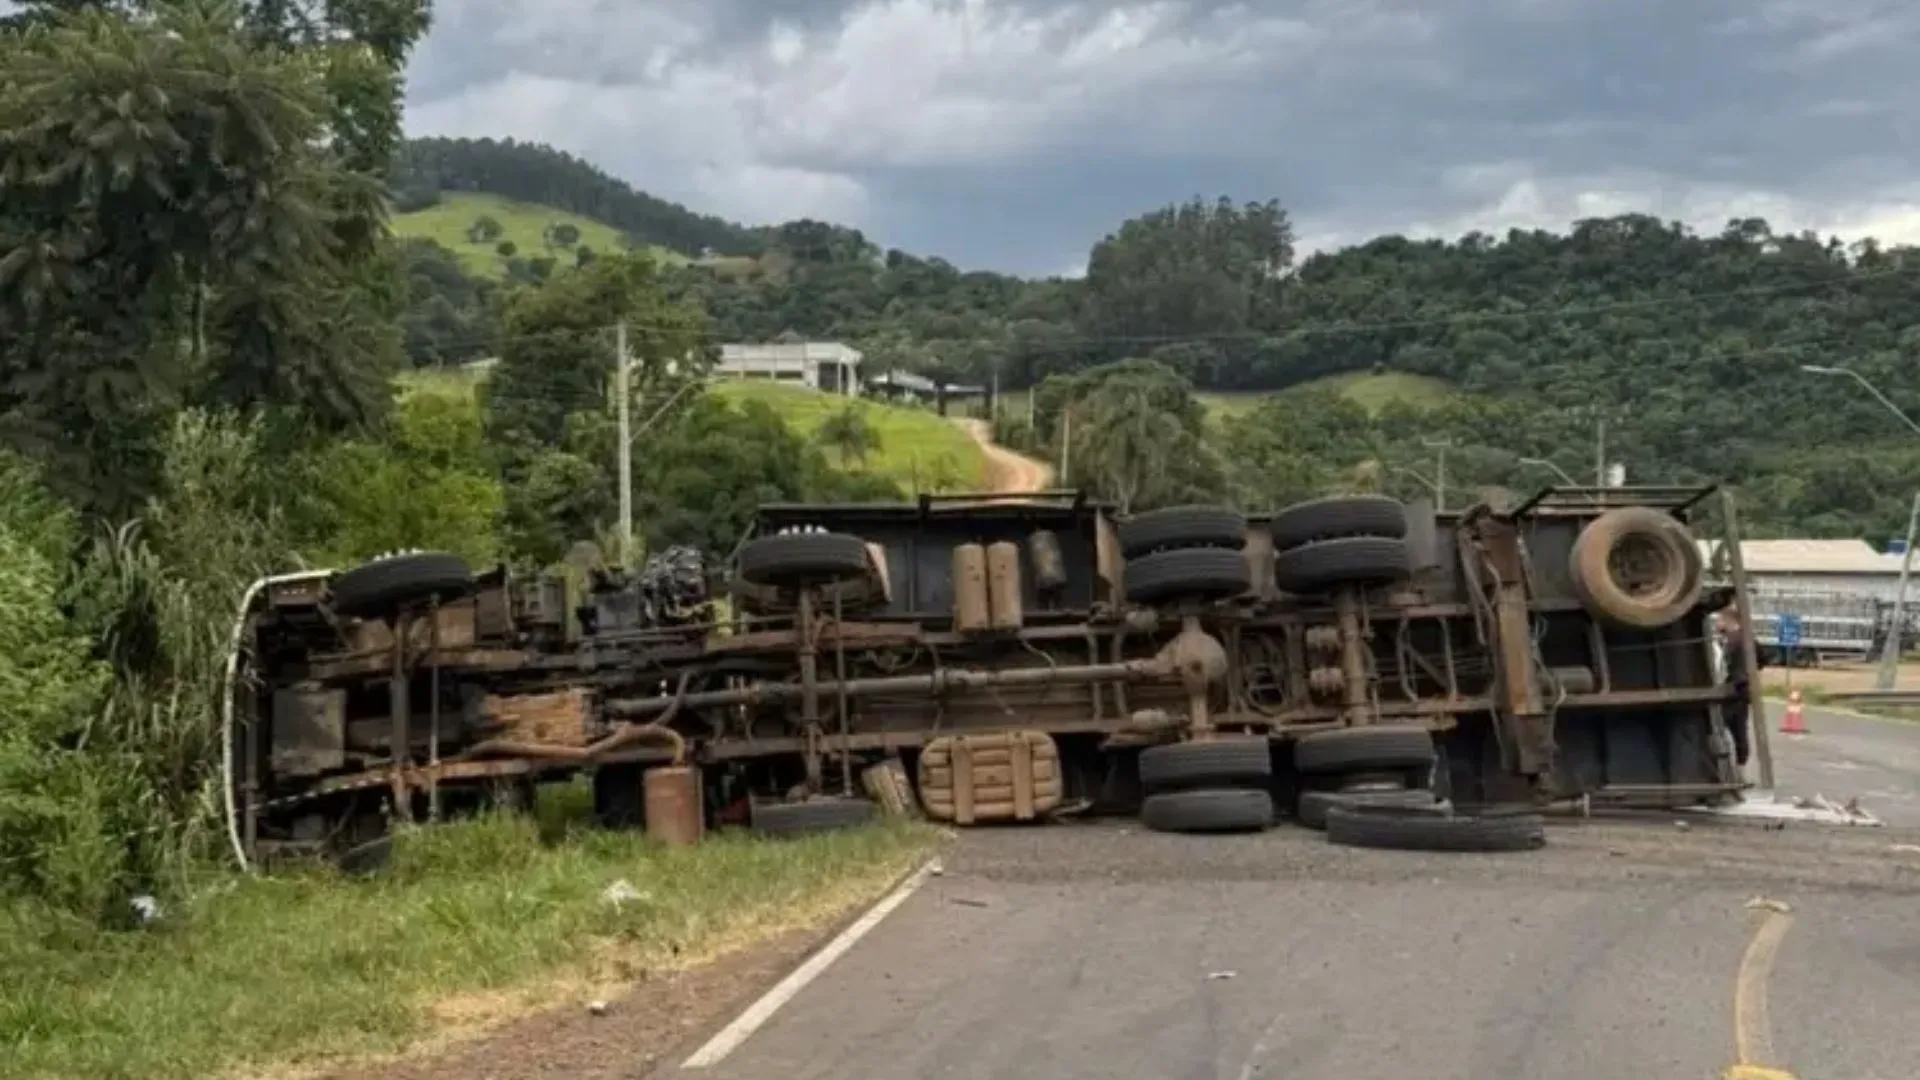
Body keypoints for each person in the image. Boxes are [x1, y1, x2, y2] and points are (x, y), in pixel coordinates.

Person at [1715, 608, 1767, 767]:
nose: (1717, 624)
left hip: (1731, 688)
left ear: (1729, 620)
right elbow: (1764, 659)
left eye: (1719, 620)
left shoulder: (1731, 641)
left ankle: (1725, 762)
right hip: (1744, 689)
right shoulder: (1750, 639)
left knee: (1718, 725)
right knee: (1740, 729)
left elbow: (1723, 665)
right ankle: (1740, 763)